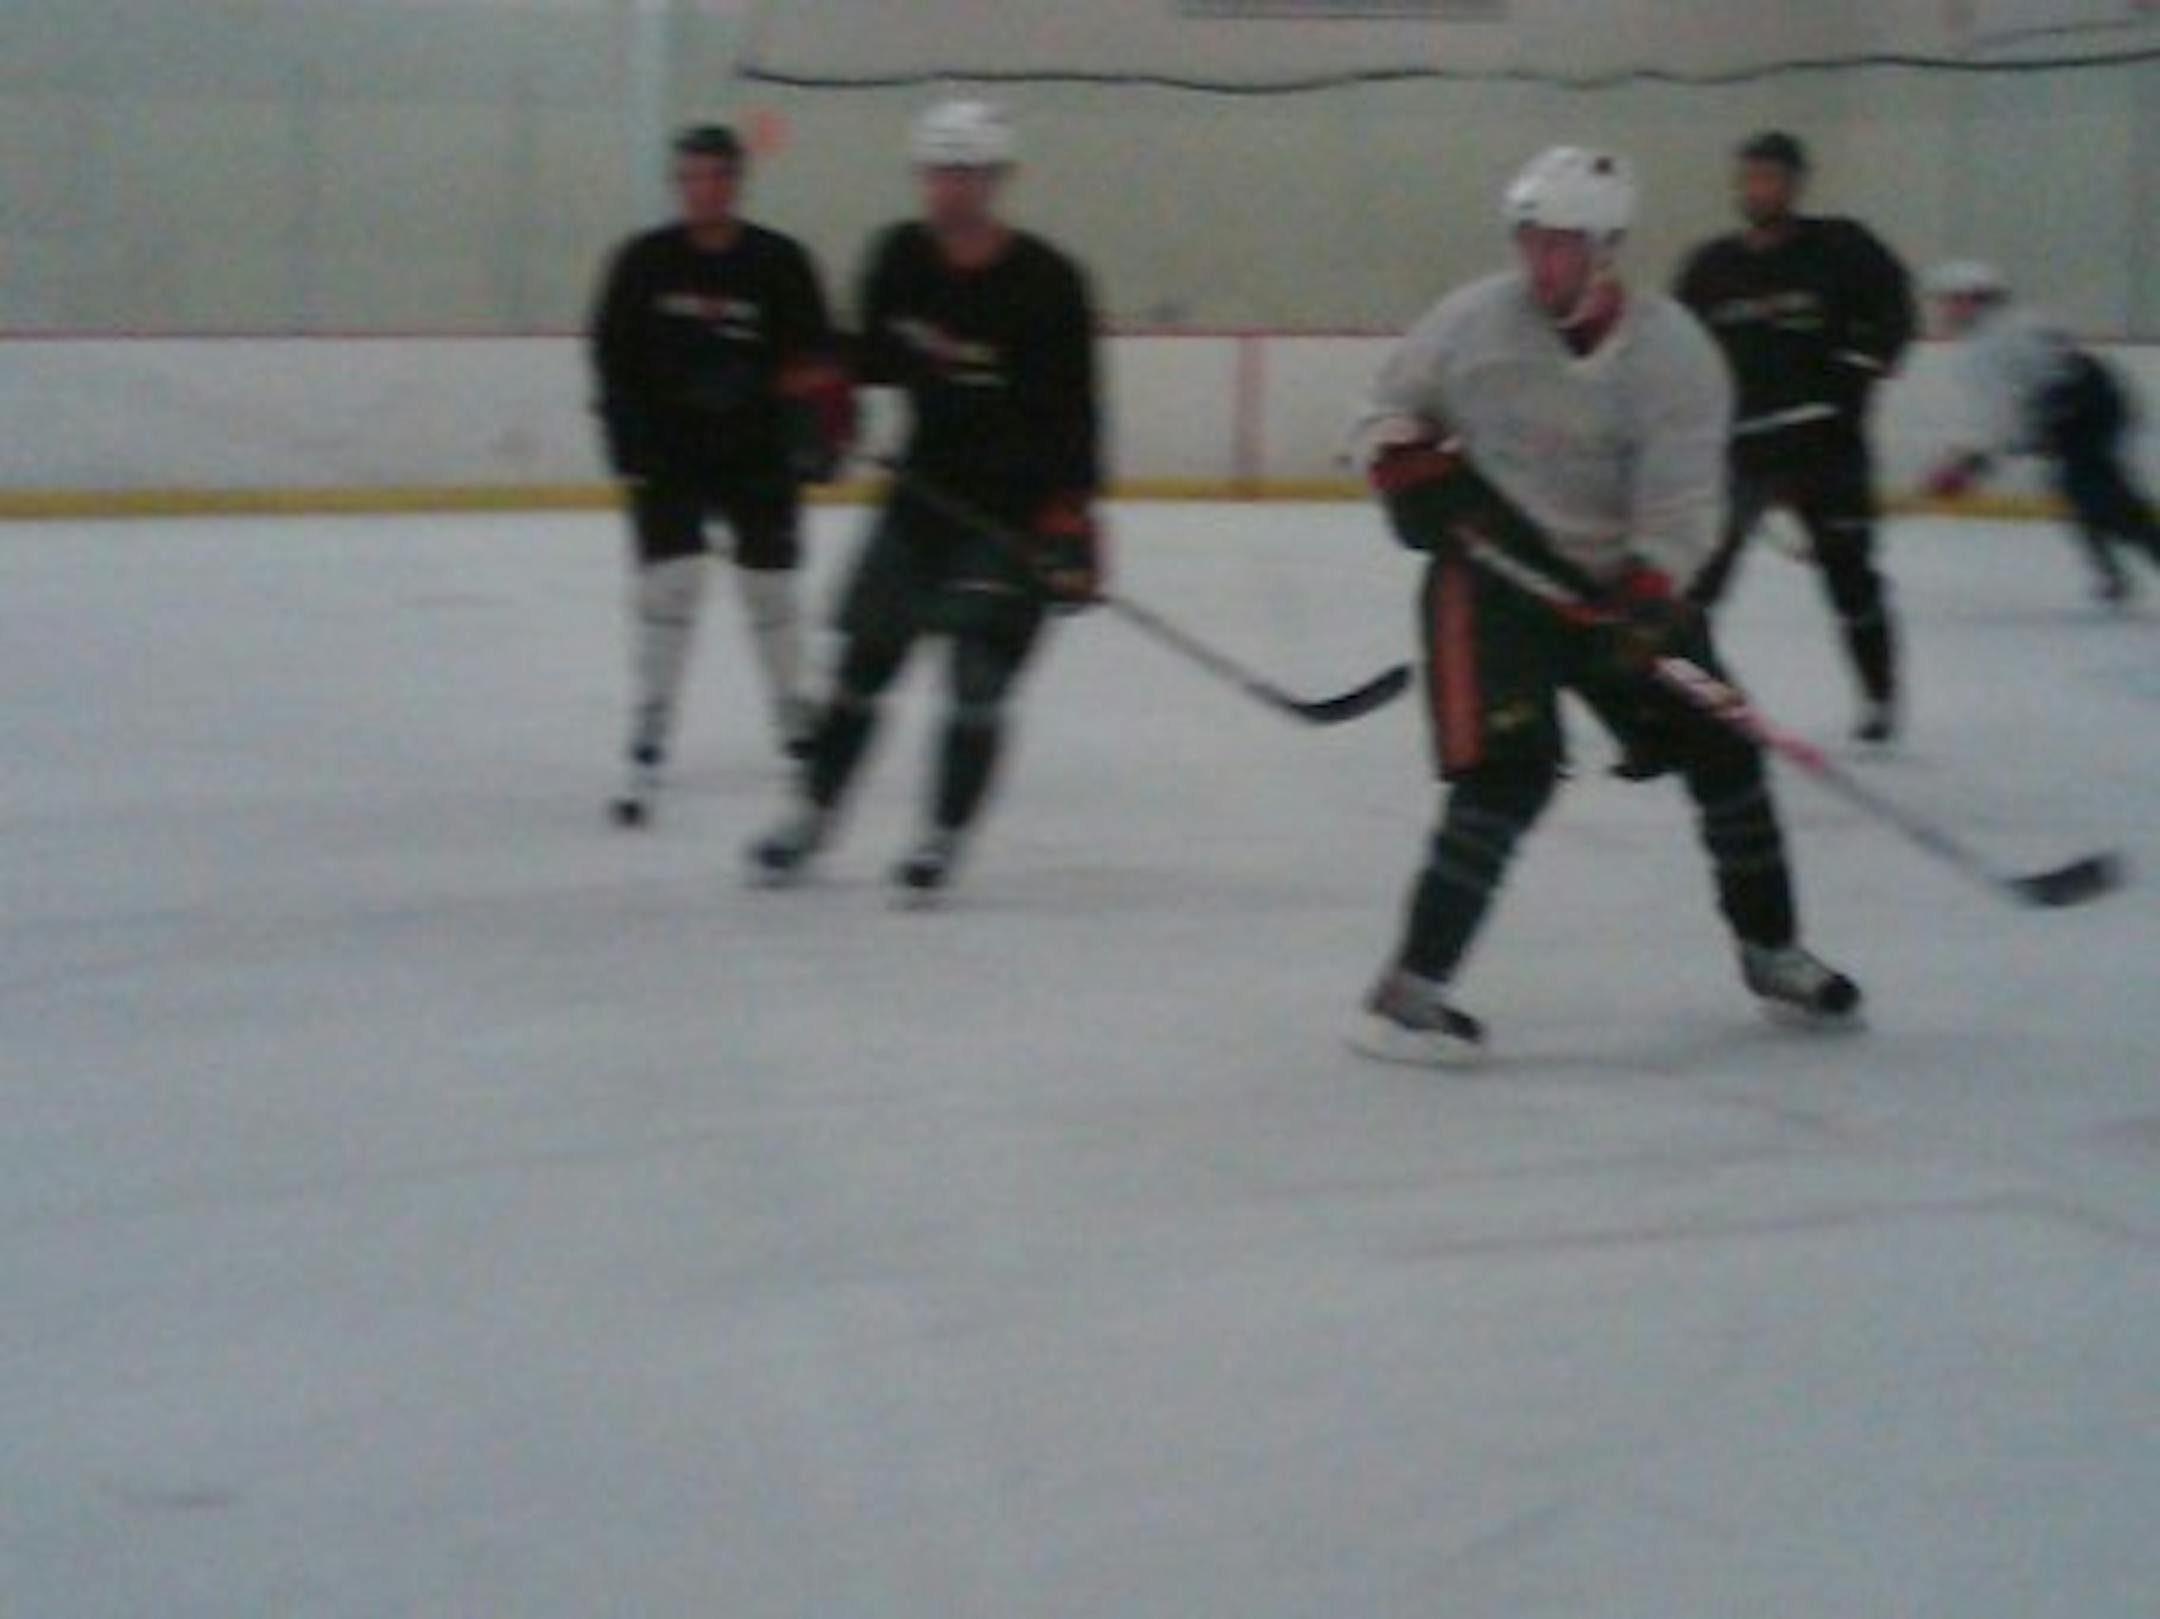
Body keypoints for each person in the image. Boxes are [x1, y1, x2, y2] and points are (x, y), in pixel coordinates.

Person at [1349, 146, 1861, 1066]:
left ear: (1608, 249)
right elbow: (1388, 409)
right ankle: (1408, 995)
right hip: (1491, 580)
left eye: (1563, 245)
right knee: (1508, 774)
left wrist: (1652, 590)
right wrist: (1399, 458)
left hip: (1616, 588)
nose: (1541, 264)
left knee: (1727, 749)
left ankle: (1772, 950)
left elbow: (1683, 504)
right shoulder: (1472, 321)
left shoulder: (1674, 354)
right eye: (1530, 241)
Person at [749, 100, 1104, 898]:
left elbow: (1078, 414)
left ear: (999, 179)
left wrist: (1072, 513)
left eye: (969, 173)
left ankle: (941, 836)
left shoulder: (1048, 282)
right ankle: (812, 814)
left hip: (1012, 515)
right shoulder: (901, 257)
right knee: (862, 664)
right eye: (941, 172)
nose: (953, 188)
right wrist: (826, 392)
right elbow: (877, 357)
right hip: (922, 496)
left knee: (977, 680)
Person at [589, 123, 852, 825]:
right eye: (691, 178)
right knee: (670, 588)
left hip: (758, 455)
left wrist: (816, 425)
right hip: (668, 455)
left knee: (770, 590)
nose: (703, 190)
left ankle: (794, 717)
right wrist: (628, 442)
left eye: (716, 176)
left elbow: (816, 356)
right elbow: (612, 358)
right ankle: (651, 723)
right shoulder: (643, 262)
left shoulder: (780, 262)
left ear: (738, 182)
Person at [1676, 131, 1916, 743]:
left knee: (1850, 575)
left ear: (1795, 184)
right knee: (1697, 581)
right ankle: (1682, 694)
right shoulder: (1711, 267)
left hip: (1826, 447)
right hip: (1743, 451)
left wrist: (1859, 372)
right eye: (1751, 176)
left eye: (1772, 177)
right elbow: (1677, 349)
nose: (1759, 188)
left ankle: (1879, 697)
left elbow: (1893, 312)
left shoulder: (1841, 248)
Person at [1923, 260, 2160, 606]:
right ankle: (2111, 576)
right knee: (2084, 491)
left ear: (1974, 300)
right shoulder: (2019, 321)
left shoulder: (1986, 346)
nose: (1944, 310)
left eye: (1950, 301)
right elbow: (2027, 404)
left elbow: (2005, 417)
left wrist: (1970, 465)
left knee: (2103, 498)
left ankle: (2116, 574)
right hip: (2091, 402)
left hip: (2078, 412)